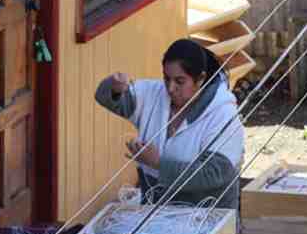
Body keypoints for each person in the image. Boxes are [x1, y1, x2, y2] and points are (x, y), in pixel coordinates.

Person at [95, 39, 244, 209]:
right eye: (166, 79)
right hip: (157, 212)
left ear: (200, 79)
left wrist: (158, 163)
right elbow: (105, 98)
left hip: (207, 216)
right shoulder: (153, 93)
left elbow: (214, 174)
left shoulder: (224, 114)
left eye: (180, 81)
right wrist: (114, 88)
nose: (171, 88)